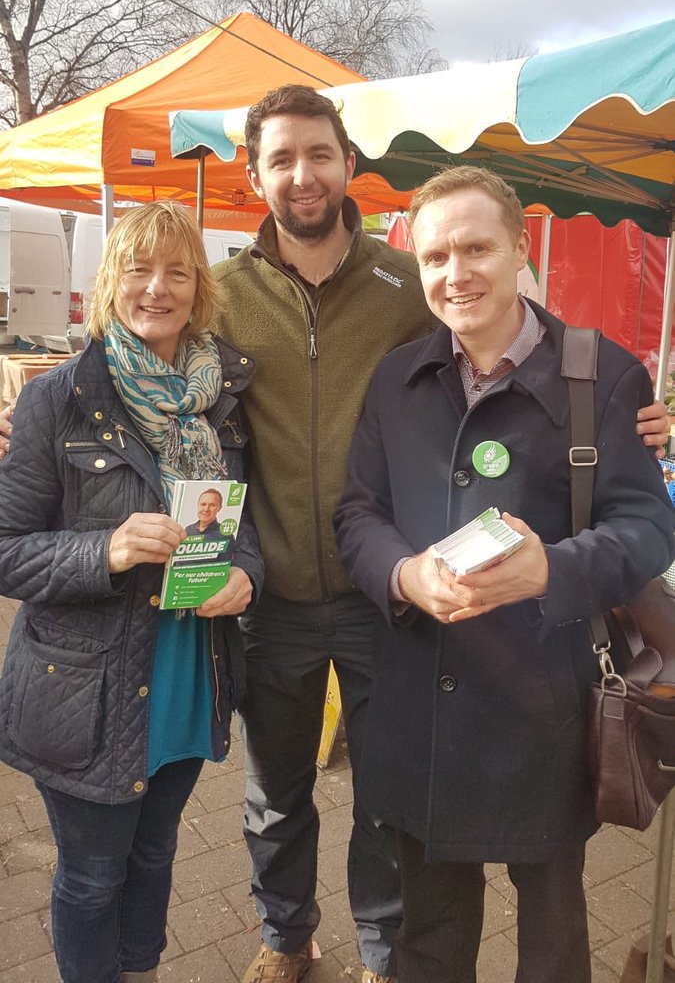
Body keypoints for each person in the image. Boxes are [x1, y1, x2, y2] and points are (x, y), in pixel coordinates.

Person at [0, 90, 668, 981]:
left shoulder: (405, 289)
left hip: (384, 606)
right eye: (280, 159)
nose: (301, 175)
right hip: (268, 594)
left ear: (349, 163)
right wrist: (24, 415)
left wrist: (631, 417)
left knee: (387, 805)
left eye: (317, 154)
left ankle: (384, 954)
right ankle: (287, 939)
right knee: (275, 797)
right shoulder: (219, 296)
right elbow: (137, 377)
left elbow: (513, 364)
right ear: (256, 175)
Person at [334, 166, 675, 983]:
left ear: (520, 246)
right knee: (430, 937)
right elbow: (356, 515)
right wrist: (405, 575)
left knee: (552, 942)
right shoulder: (397, 379)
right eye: (436, 256)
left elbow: (647, 525)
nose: (457, 274)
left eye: (477, 247)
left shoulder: (604, 374)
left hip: (546, 710)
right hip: (422, 701)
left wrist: (550, 571)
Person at [0, 201, 263, 983]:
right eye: (140, 269)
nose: (158, 288)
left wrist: (246, 573)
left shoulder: (224, 399)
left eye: (177, 271)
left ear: (198, 288)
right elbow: (8, 552)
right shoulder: (58, 399)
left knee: (155, 855)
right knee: (91, 876)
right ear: (112, 280)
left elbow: (246, 521)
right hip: (88, 688)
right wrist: (104, 550)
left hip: (190, 671)